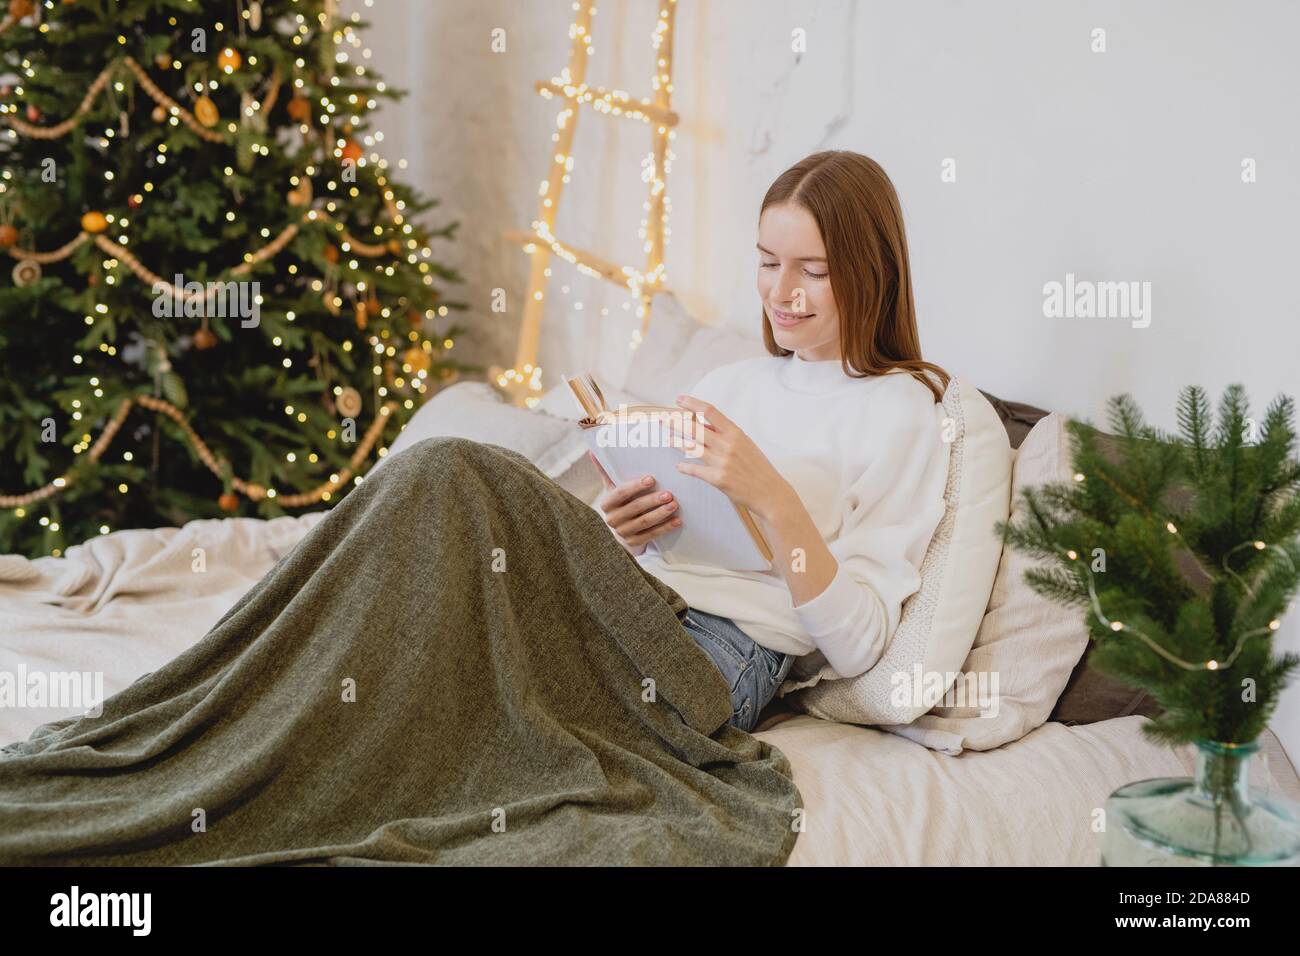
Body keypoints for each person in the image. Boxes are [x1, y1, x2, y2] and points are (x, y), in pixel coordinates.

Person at [594, 150, 953, 734]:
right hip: (634, 603)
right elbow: (666, 550)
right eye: (767, 263)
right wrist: (620, 533)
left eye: (813, 271)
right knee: (454, 476)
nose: (781, 291)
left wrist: (773, 499)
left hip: (726, 646)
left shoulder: (901, 410)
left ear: (873, 272)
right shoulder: (728, 384)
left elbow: (859, 645)